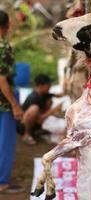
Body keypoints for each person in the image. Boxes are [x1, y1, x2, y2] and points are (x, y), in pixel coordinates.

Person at [0, 10, 23, 193]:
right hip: (3, 102)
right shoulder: (3, 47)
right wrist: (14, 104)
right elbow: (1, 80)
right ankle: (2, 182)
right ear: (6, 26)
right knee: (5, 143)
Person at [21, 74, 62, 145]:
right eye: (48, 85)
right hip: (23, 125)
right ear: (40, 86)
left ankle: (37, 130)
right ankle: (26, 134)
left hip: (37, 122)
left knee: (49, 100)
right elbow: (39, 120)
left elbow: (59, 95)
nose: (50, 86)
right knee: (34, 109)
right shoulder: (33, 97)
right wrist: (53, 110)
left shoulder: (44, 94)